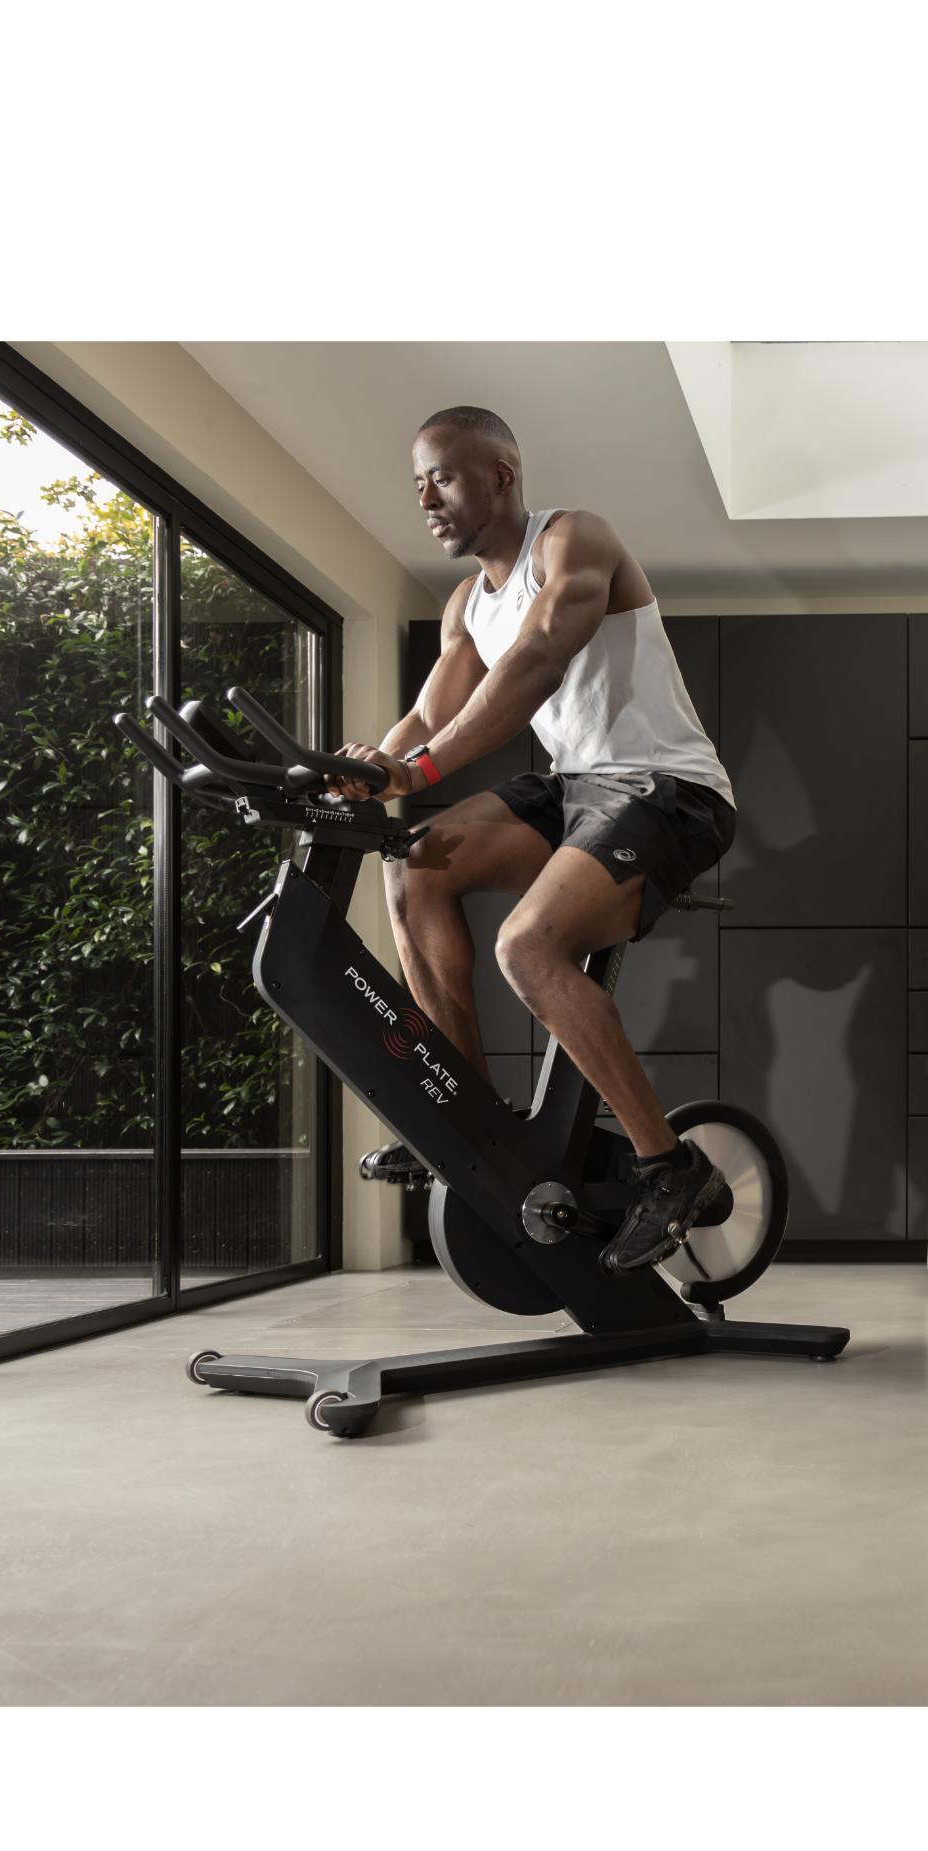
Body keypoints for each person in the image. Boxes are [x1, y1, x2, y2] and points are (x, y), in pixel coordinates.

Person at [337, 405, 736, 1273]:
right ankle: (469, 1115)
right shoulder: (465, 603)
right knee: (413, 863)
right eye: (418, 484)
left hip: (667, 789)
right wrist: (367, 770)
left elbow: (538, 660)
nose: (426, 499)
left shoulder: (572, 541)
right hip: (574, 787)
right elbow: (429, 715)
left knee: (526, 947)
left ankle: (669, 1166)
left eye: (443, 478)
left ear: (501, 475)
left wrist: (417, 771)